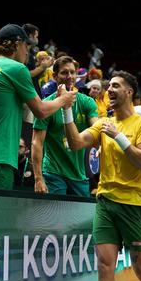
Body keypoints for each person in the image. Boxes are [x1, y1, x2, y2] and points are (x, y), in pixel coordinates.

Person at [61, 71, 141, 281]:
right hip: (106, 203)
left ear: (129, 92)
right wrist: (67, 110)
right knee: (104, 266)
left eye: (115, 86)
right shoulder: (103, 123)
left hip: (135, 205)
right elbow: (77, 143)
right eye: (108, 85)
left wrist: (119, 138)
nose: (109, 89)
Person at [0, 24, 76, 190]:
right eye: (27, 46)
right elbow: (40, 111)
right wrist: (63, 100)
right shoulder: (17, 69)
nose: (27, 52)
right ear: (17, 44)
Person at [31, 56, 98, 196]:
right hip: (53, 173)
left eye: (72, 72)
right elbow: (37, 143)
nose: (70, 76)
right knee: (54, 216)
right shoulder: (45, 106)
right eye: (64, 72)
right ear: (55, 76)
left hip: (79, 174)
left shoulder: (87, 102)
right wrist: (38, 179)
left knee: (80, 218)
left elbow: (96, 128)